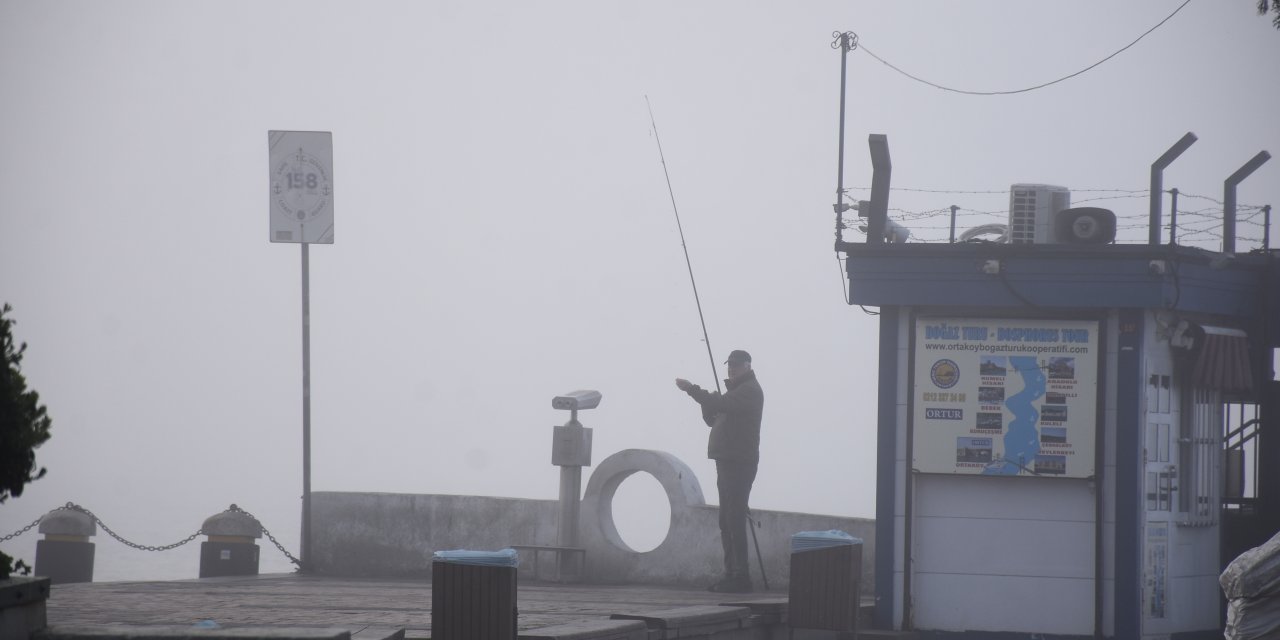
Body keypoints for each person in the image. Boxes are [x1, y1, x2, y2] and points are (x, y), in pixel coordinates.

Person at [675, 349, 764, 593]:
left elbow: (721, 404)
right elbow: (713, 418)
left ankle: (741, 576)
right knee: (727, 520)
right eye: (729, 365)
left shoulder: (750, 391)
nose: (731, 368)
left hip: (739, 463)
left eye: (736, 365)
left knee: (734, 519)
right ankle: (731, 574)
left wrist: (692, 389)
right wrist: (707, 404)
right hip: (726, 461)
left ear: (747, 366)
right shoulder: (736, 393)